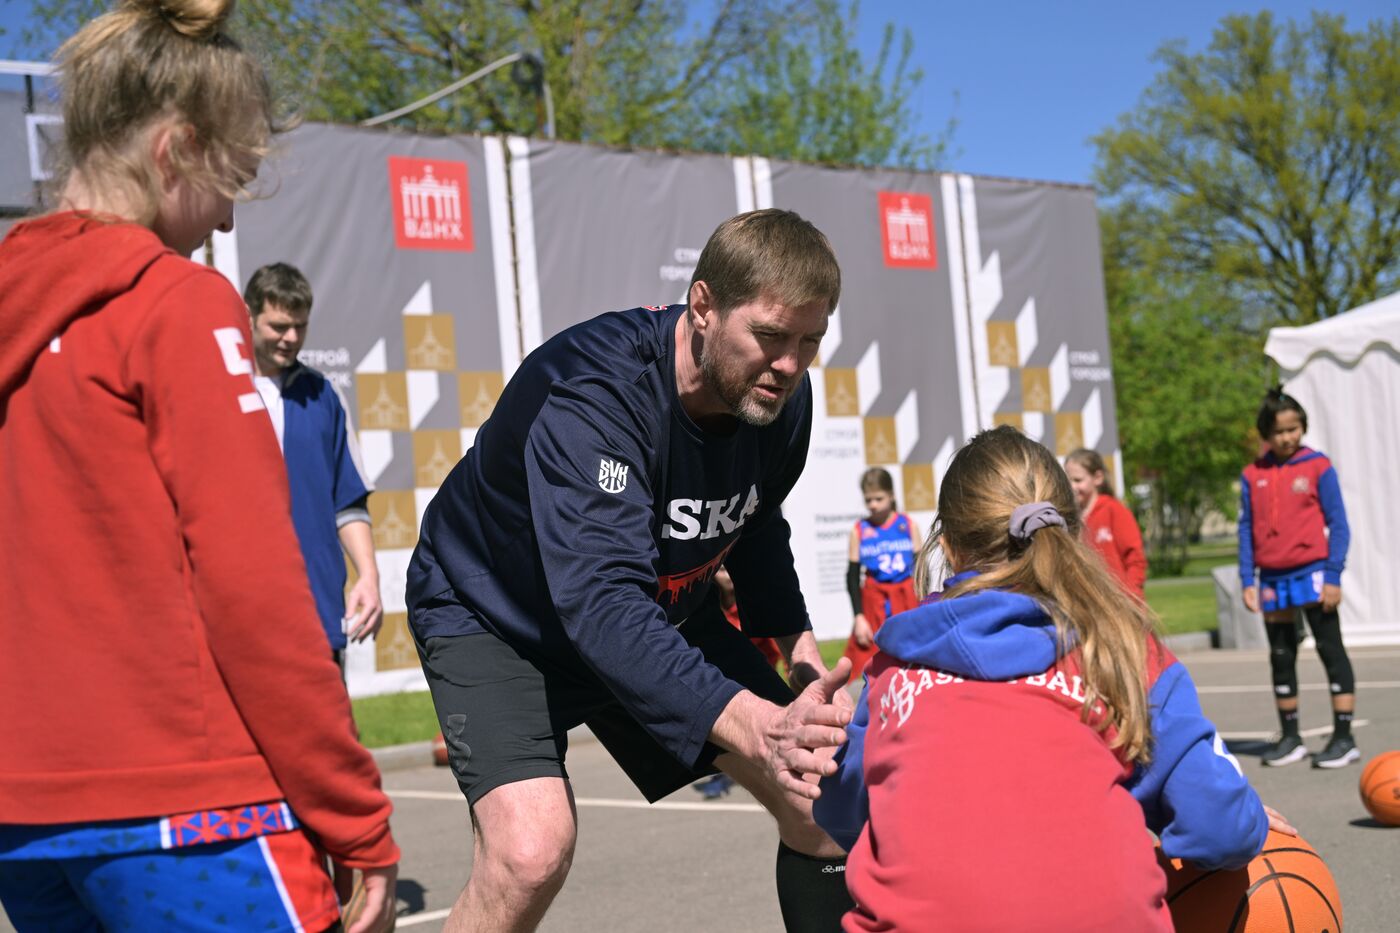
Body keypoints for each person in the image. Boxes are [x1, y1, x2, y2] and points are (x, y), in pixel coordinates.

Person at [0, 3, 398, 931]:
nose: (223, 224)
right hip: (189, 813)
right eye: (231, 183)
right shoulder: (179, 303)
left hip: (28, 820)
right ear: (174, 150)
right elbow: (253, 590)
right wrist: (355, 817)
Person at [406, 208, 855, 932]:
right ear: (703, 306)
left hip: (647, 610)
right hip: (498, 616)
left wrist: (806, 674)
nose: (791, 365)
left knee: (820, 797)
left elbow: (755, 526)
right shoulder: (596, 395)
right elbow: (602, 607)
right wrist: (758, 724)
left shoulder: (778, 397)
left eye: (811, 341)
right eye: (770, 337)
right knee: (529, 852)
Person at [815, 426, 1289, 931]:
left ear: (948, 548)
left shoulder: (894, 668)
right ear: (1071, 529)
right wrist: (1246, 819)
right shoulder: (1122, 649)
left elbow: (844, 815)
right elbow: (1221, 828)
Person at [244, 262, 383, 662]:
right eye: (278, 326)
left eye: (300, 327)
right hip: (240, 611)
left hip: (316, 608)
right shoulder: (216, 387)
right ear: (248, 316)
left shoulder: (323, 395)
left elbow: (349, 503)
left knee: (328, 726)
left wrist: (369, 578)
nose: (290, 338)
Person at [1239, 387, 1357, 768]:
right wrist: (1247, 579)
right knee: (1281, 656)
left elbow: (1339, 524)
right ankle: (1290, 738)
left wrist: (1333, 574)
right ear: (1265, 434)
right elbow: (1246, 531)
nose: (1288, 437)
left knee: (1329, 649)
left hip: (1313, 575)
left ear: (1302, 427)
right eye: (1279, 431)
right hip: (1272, 579)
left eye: (1294, 428)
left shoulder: (1318, 466)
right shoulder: (1252, 474)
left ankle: (1344, 736)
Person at [692, 565, 781, 800]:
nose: (727, 574)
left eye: (729, 569)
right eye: (721, 570)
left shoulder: (749, 609)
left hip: (752, 687)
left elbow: (771, 653)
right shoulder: (713, 614)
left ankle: (729, 779)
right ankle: (723, 776)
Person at [842, 467, 920, 683]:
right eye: (868, 500)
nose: (873, 505)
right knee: (867, 657)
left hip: (905, 596)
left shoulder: (907, 525)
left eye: (879, 498)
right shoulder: (859, 530)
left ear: (891, 496)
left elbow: (921, 569)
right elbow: (852, 576)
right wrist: (858, 617)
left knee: (912, 655)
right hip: (874, 599)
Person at [1064, 447, 1146, 597]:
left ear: (1098, 478)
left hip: (1120, 605)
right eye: (1068, 480)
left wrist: (1130, 599)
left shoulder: (1115, 510)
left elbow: (1136, 560)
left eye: (1078, 480)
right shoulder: (1069, 518)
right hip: (1089, 607)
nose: (1072, 486)